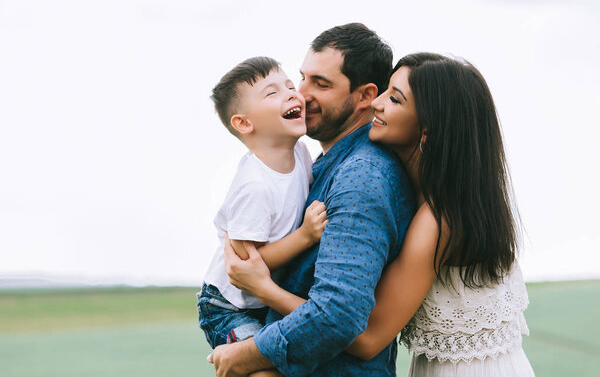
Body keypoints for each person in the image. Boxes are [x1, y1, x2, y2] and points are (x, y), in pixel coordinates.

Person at [225, 53, 535, 376]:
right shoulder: (421, 195)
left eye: (395, 99)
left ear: (427, 130)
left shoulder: (438, 220)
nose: (377, 103)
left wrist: (264, 289)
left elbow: (367, 337)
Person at [209, 23, 415, 376]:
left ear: (366, 96)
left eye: (321, 84)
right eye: (301, 79)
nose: (301, 95)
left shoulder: (360, 178)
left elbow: (338, 314)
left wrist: (251, 353)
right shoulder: (315, 163)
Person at [197, 56, 328, 353]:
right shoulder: (254, 186)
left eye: (290, 85)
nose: (292, 93)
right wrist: (305, 236)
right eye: (273, 93)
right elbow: (245, 266)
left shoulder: (302, 154)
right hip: (229, 305)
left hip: (264, 296)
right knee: (259, 360)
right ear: (244, 123)